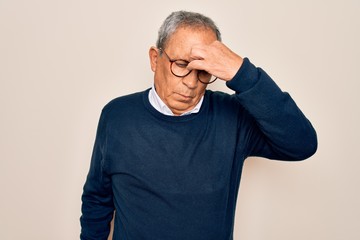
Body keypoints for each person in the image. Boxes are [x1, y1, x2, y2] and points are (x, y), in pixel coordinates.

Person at [80, 10, 317, 240]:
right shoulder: (117, 116)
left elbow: (302, 143)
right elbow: (97, 199)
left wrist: (241, 72)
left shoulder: (232, 117)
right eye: (182, 65)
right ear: (155, 58)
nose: (192, 83)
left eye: (203, 71)